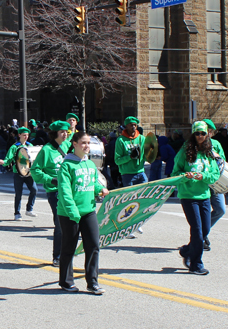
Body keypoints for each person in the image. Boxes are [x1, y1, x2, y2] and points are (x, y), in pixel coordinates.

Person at [57, 131, 109, 294]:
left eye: (89, 143)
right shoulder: (67, 165)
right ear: (75, 144)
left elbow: (92, 183)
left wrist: (101, 189)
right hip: (69, 213)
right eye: (83, 143)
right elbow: (65, 191)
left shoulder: (90, 164)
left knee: (93, 245)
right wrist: (73, 212)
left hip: (89, 211)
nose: (87, 146)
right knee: (69, 248)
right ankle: (66, 282)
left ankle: (92, 282)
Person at [172, 121, 220, 275]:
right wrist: (185, 176)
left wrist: (203, 176)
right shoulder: (184, 152)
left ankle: (187, 250)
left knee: (205, 230)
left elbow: (215, 175)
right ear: (193, 134)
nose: (200, 136)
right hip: (188, 196)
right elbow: (174, 174)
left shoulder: (209, 152)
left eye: (203, 133)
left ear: (207, 135)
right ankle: (196, 264)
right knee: (197, 231)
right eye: (197, 133)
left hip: (204, 196)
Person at [31, 121, 71, 266]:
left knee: (72, 221)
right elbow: (35, 170)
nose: (65, 134)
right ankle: (58, 256)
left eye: (66, 132)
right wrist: (50, 180)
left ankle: (68, 253)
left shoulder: (67, 146)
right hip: (55, 191)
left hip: (69, 190)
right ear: (55, 134)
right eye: (62, 132)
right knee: (60, 223)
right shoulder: (47, 150)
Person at [114, 116, 147, 237]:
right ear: (126, 126)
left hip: (140, 172)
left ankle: (137, 223)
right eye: (130, 125)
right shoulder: (121, 141)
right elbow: (117, 161)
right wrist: (130, 157)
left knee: (142, 199)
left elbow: (148, 154)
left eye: (135, 124)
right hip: (127, 174)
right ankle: (127, 227)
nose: (133, 126)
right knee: (129, 201)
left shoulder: (142, 139)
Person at [0, 127, 38, 221]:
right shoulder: (15, 147)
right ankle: (17, 213)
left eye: (27, 135)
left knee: (34, 190)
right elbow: (9, 158)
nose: (26, 136)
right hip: (18, 172)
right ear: (19, 135)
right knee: (19, 193)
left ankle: (29, 209)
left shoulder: (30, 145)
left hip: (28, 172)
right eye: (24, 135)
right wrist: (4, 162)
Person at [202, 119, 227, 251]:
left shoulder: (216, 144)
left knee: (220, 209)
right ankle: (201, 236)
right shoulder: (194, 145)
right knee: (202, 212)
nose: (203, 134)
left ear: (210, 133)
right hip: (202, 184)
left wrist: (216, 157)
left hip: (216, 183)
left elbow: (223, 162)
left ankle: (201, 233)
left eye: (206, 132)